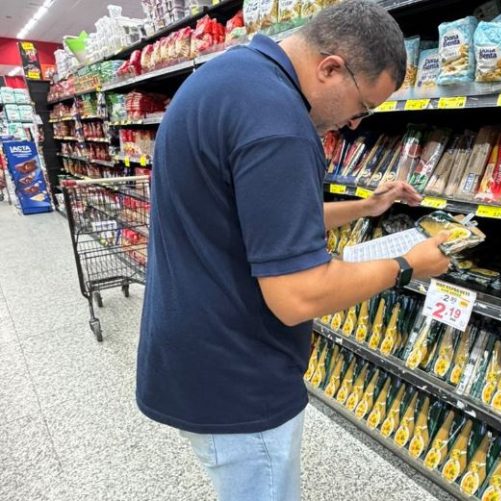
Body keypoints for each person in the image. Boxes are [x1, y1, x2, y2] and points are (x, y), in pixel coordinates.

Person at [135, 1, 451, 500]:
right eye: (362, 107)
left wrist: (366, 208)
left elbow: (261, 221)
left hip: (198, 353)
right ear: (330, 68)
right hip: (237, 376)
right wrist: (408, 266)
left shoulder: (232, 76)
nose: (353, 125)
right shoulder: (280, 124)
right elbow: (297, 295)